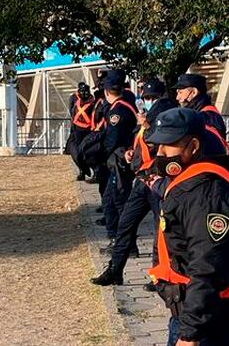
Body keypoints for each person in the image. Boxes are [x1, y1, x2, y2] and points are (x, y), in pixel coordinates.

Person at [146, 108, 229, 346]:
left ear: (193, 146)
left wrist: (190, 334)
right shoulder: (188, 182)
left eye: (169, 145)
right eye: (157, 146)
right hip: (193, 310)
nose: (161, 153)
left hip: (210, 317)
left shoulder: (207, 195)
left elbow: (208, 266)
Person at [91, 77, 178, 287]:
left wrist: (147, 127)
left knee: (161, 229)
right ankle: (115, 269)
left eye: (151, 97)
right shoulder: (149, 114)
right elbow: (141, 141)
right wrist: (132, 151)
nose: (148, 101)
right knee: (126, 223)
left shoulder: (166, 114)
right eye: (146, 97)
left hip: (157, 179)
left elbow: (161, 142)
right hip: (142, 178)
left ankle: (160, 275)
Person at [99, 69, 138, 247]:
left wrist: (100, 153)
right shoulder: (125, 104)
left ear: (107, 92)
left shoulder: (118, 110)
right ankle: (121, 242)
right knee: (112, 201)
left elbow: (112, 140)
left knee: (117, 202)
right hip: (122, 159)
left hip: (120, 160)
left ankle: (123, 244)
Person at [173, 74, 229, 156]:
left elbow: (211, 146)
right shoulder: (199, 113)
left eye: (180, 92)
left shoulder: (207, 115)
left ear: (193, 92)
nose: (177, 98)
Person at [68, 82, 95, 180]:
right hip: (77, 129)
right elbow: (72, 112)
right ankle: (82, 171)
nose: (84, 93)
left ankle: (95, 171)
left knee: (88, 151)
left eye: (85, 91)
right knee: (77, 151)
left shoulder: (92, 102)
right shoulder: (76, 101)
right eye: (82, 91)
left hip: (88, 129)